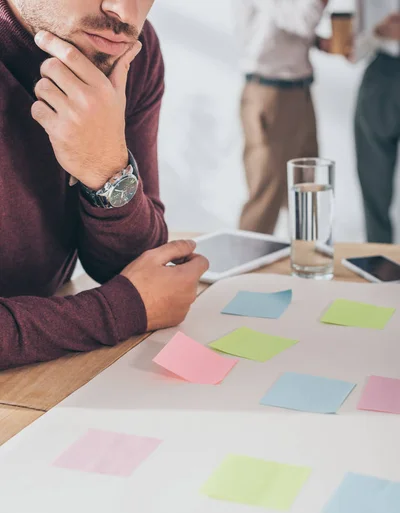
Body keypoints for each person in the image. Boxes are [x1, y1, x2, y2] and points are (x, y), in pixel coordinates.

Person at [0, 0, 208, 371]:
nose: (126, 13)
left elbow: (139, 268)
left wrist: (107, 168)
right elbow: (141, 296)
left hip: (45, 374)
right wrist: (118, 309)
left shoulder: (124, 54)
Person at [233, 0, 330, 235]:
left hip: (299, 90)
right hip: (270, 94)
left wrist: (317, 42)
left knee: (307, 185)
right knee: (267, 191)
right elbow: (301, 19)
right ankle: (248, 265)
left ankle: (307, 263)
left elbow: (277, 27)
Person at [354, 8, 400, 243]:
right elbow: (352, 51)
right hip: (381, 74)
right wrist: (377, 33)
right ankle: (380, 268)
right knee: (374, 185)